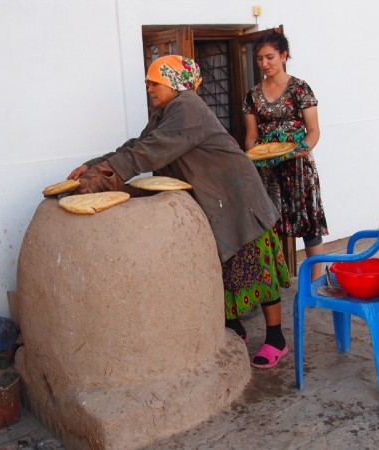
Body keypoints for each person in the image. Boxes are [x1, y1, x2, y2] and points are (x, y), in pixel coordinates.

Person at [67, 55, 290, 368]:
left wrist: (104, 175)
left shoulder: (188, 106)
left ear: (174, 82)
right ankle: (235, 327)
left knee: (256, 267)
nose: (148, 88)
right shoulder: (165, 113)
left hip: (238, 195)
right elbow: (139, 143)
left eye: (153, 82)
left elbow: (151, 151)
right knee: (222, 268)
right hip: (216, 197)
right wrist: (93, 165)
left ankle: (276, 338)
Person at [243, 33, 329, 282]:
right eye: (259, 58)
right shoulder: (252, 95)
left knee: (308, 225)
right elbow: (251, 136)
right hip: (268, 169)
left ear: (283, 56)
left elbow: (314, 131)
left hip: (298, 167)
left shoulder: (300, 88)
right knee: (271, 225)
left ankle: (316, 280)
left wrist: (301, 149)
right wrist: (256, 158)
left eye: (270, 57)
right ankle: (275, 282)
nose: (264, 63)